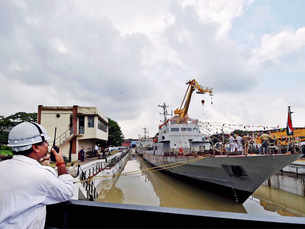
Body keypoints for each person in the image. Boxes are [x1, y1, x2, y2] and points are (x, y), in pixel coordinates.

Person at [0, 122, 74, 229]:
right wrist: (61, 164)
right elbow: (67, 192)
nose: (47, 145)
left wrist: (39, 165)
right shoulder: (41, 175)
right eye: (45, 142)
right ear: (35, 147)